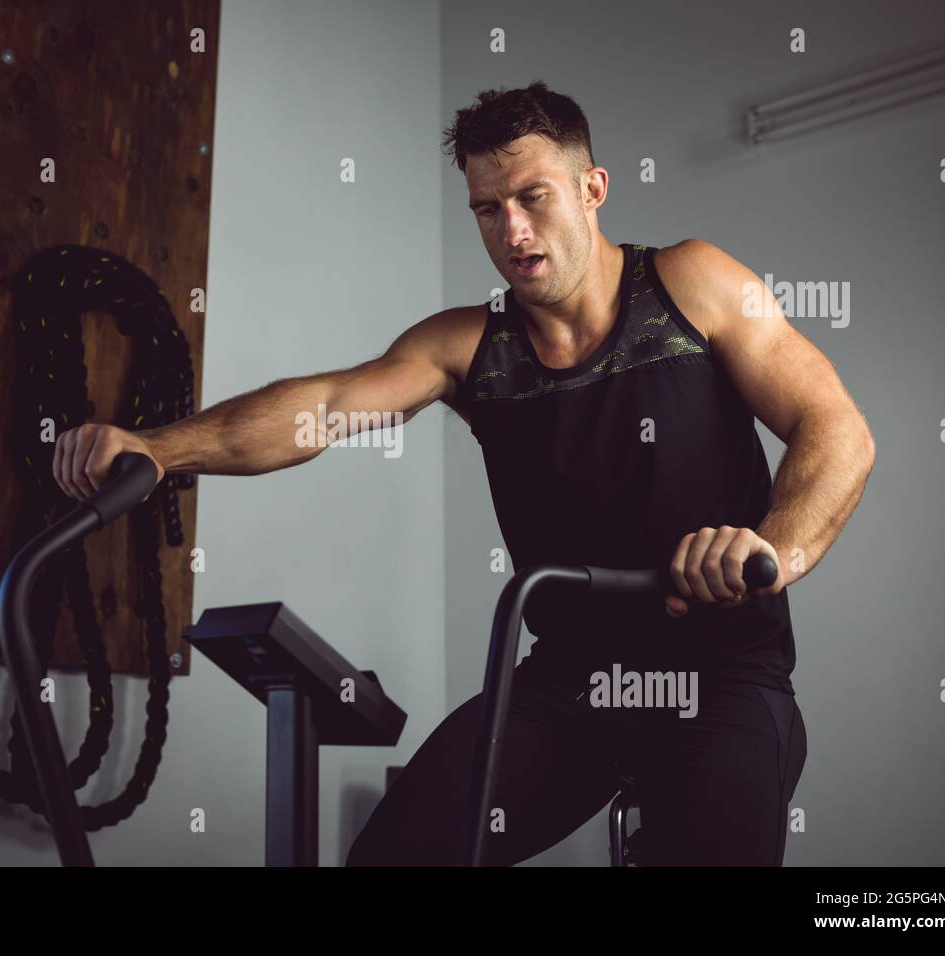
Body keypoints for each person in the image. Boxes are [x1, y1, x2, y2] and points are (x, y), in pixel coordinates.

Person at [51, 81, 875, 866]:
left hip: (719, 675)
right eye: (488, 208)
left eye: (532, 197)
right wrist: (158, 450)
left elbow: (834, 428)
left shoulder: (693, 283)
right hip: (570, 687)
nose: (511, 230)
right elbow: (326, 405)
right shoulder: (467, 347)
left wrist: (771, 551)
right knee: (397, 854)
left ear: (592, 187)